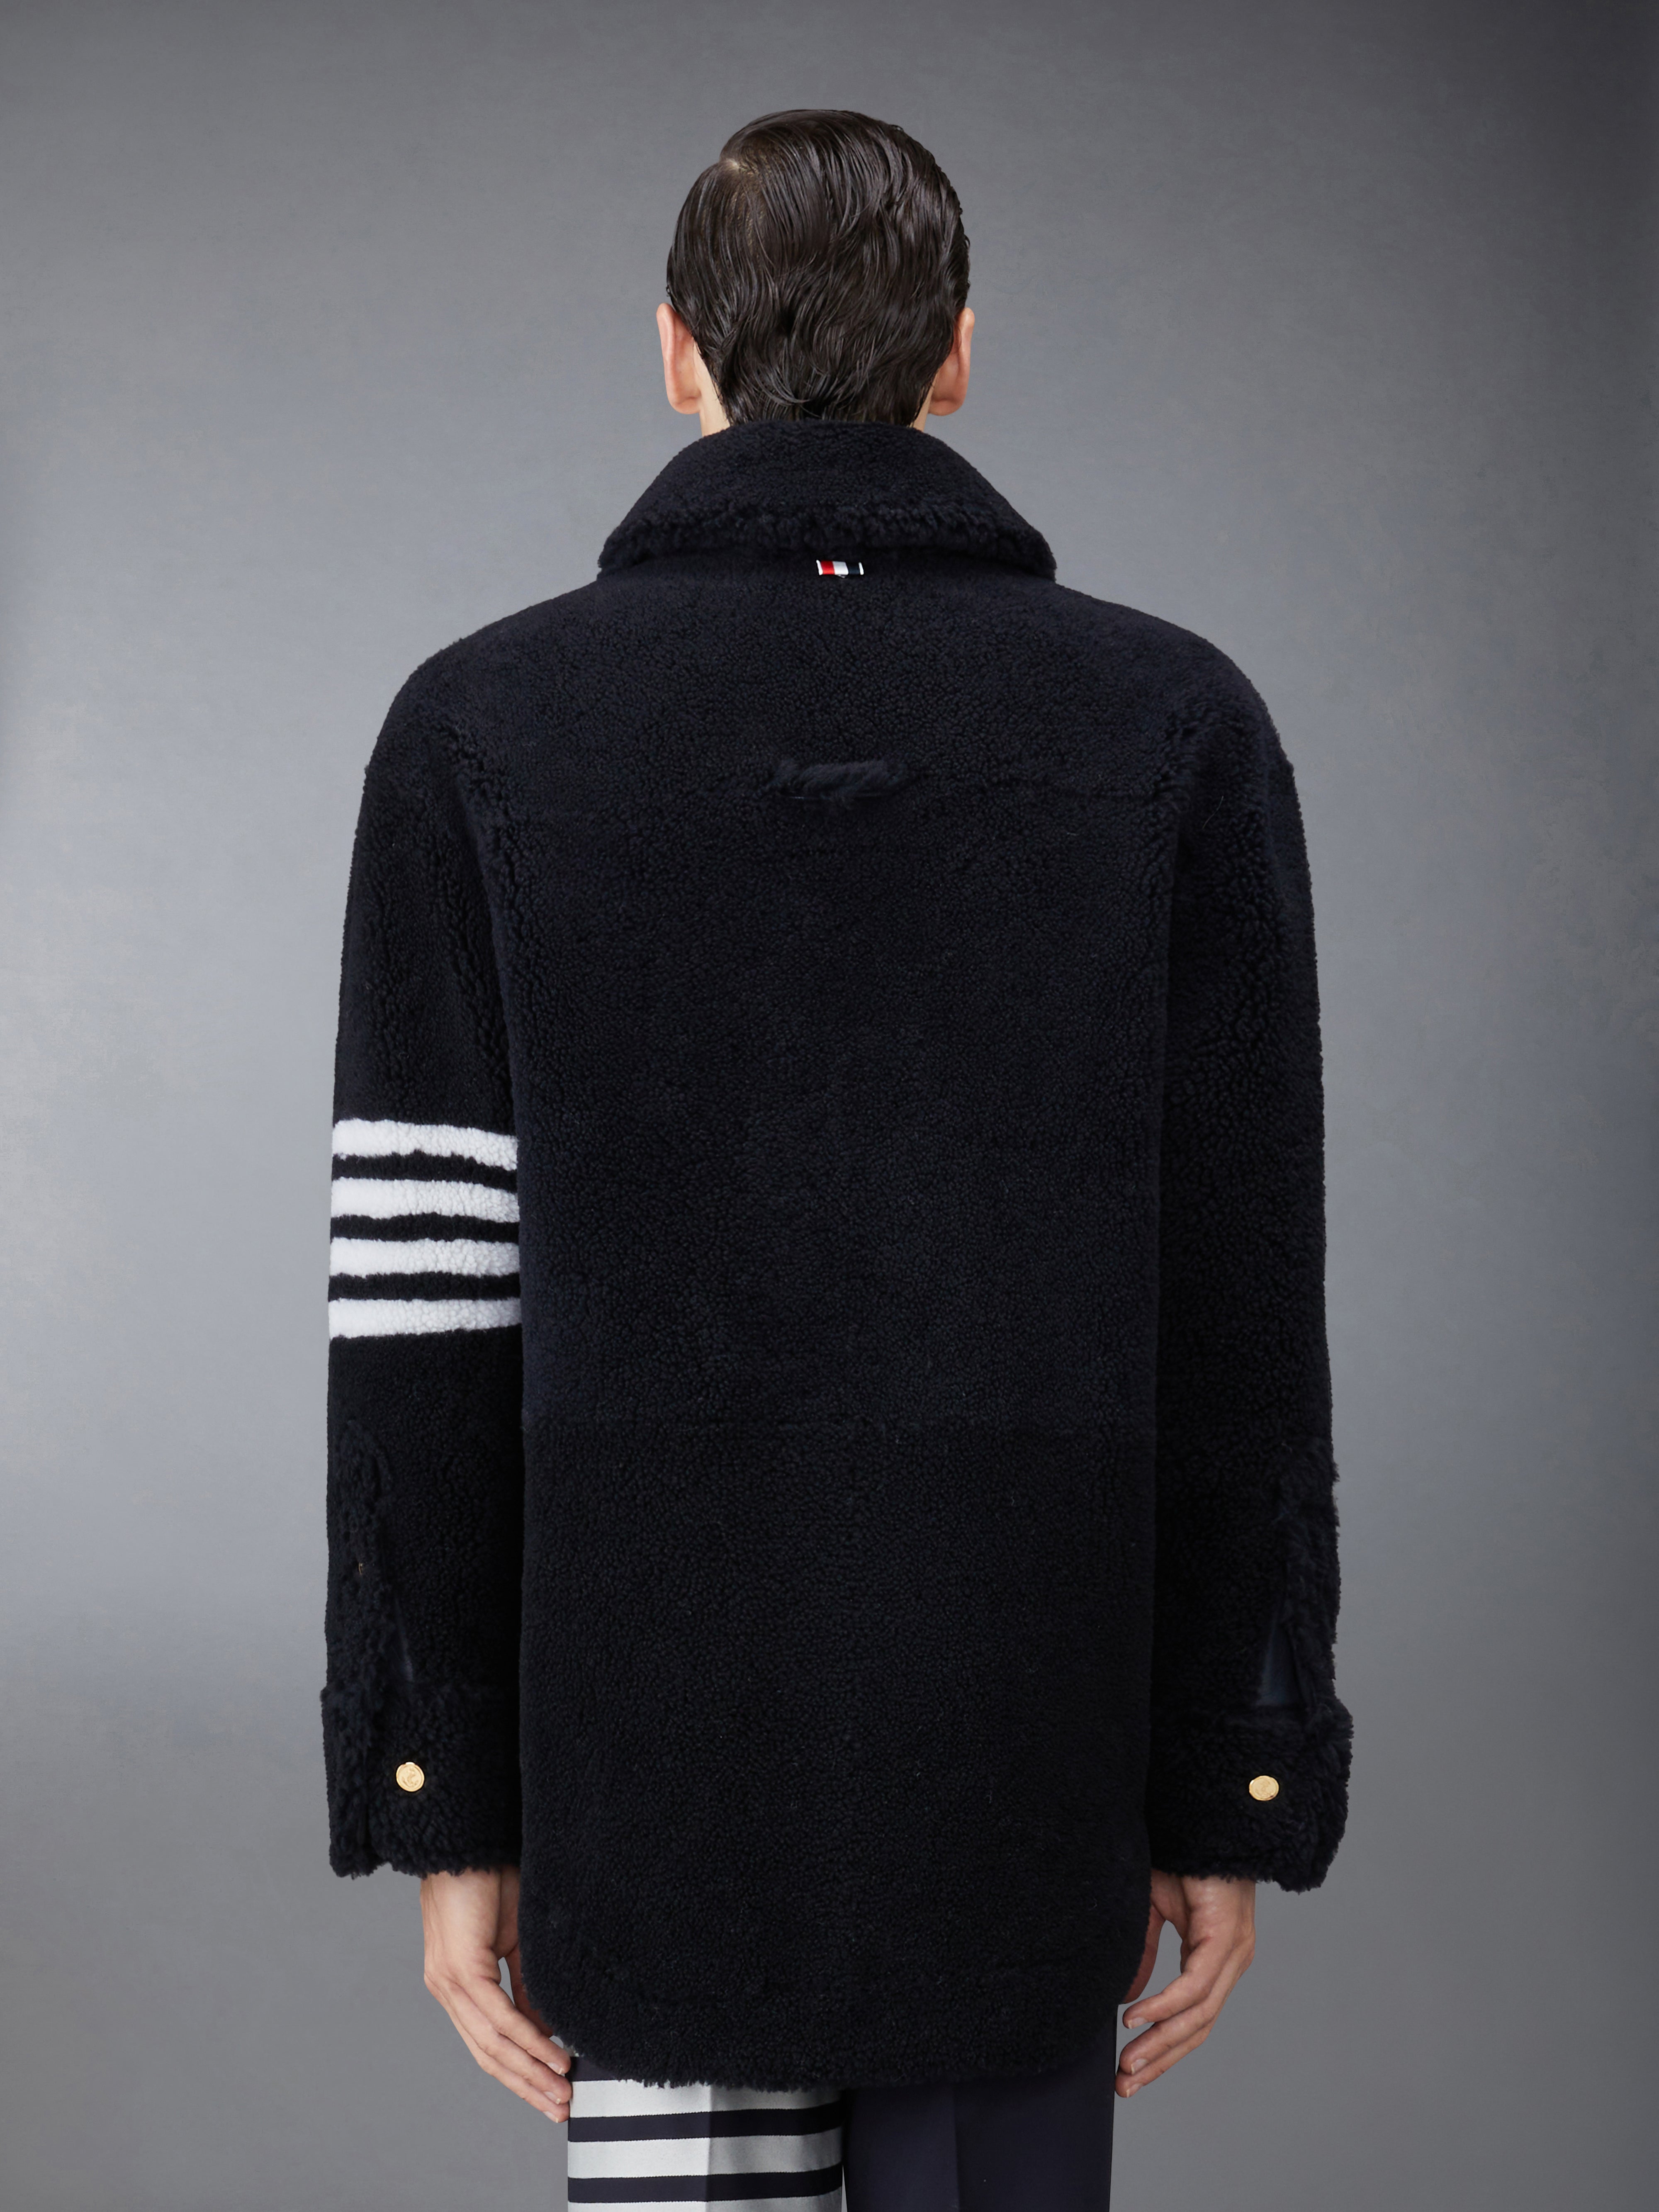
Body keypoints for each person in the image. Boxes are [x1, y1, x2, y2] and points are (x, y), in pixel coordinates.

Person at [322, 110, 1352, 2210]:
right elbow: (1239, 1309)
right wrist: (1225, 1770)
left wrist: (450, 1797)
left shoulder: (480, 728)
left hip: (646, 1791)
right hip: (1025, 1774)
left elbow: (425, 1304)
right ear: (955, 352)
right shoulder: (1173, 724)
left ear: (676, 353)